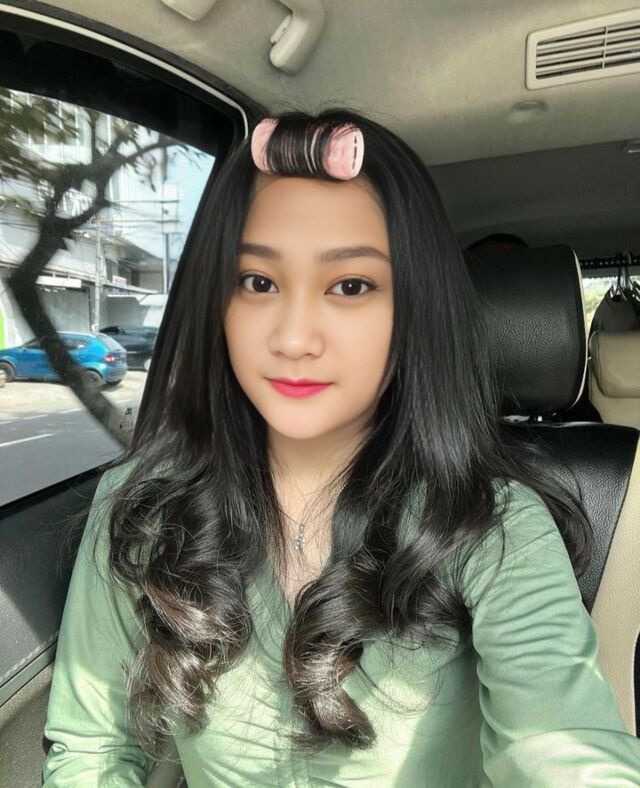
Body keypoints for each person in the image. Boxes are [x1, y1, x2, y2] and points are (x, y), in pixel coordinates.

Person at [42, 110, 640, 786]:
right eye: (258, 282)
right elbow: (91, 752)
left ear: (411, 311)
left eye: (351, 286)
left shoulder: (493, 526)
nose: (294, 338)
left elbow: (566, 754)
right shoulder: (142, 506)